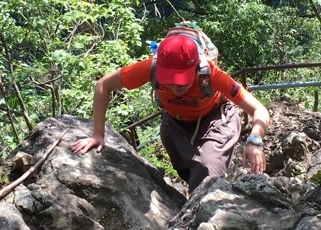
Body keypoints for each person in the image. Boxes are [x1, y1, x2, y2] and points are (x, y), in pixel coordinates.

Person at [72, 33, 270, 191]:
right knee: (183, 166)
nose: (175, 87)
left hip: (214, 118)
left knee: (207, 171)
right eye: (168, 80)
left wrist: (254, 141)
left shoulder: (212, 76)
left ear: (196, 68)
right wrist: (98, 134)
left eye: (181, 81)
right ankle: (193, 191)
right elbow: (103, 85)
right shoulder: (150, 67)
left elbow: (259, 110)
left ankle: (202, 212)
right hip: (175, 120)